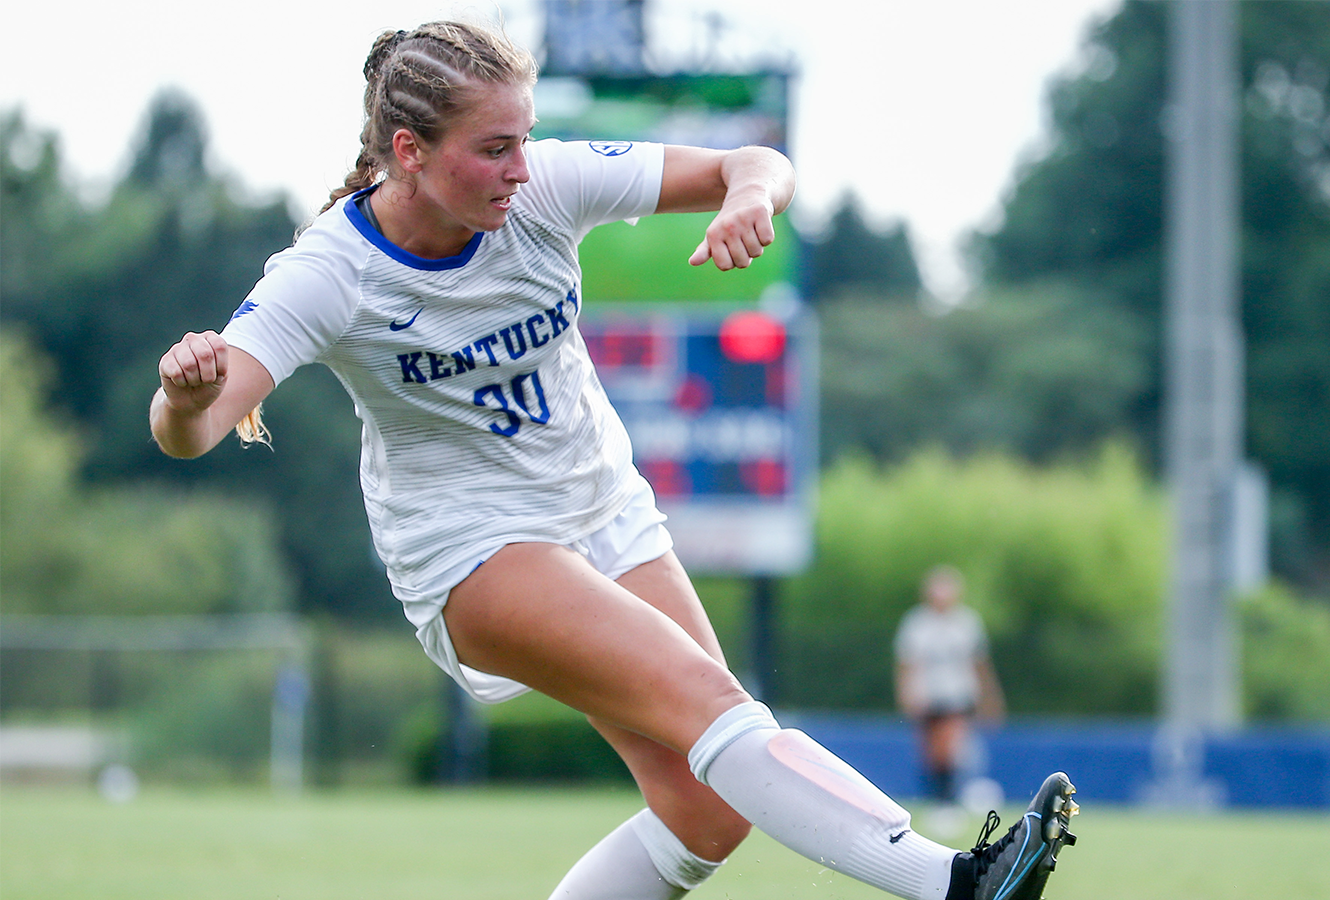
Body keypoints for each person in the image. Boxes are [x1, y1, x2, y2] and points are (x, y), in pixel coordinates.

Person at [149, 21, 1074, 900]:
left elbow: (754, 161)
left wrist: (751, 196)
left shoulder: (544, 185)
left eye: (525, 138)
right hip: (471, 549)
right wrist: (187, 398)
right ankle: (954, 882)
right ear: (407, 151)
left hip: (604, 510)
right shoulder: (331, 271)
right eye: (494, 148)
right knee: (715, 703)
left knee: (708, 814)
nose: (521, 167)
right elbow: (188, 428)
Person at [895, 565, 1006, 807]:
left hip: (957, 694)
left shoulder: (966, 623)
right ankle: (939, 797)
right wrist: (906, 695)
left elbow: (979, 664)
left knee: (951, 746)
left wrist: (990, 697)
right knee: (932, 753)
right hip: (928, 695)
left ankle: (948, 798)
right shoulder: (916, 624)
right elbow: (906, 664)